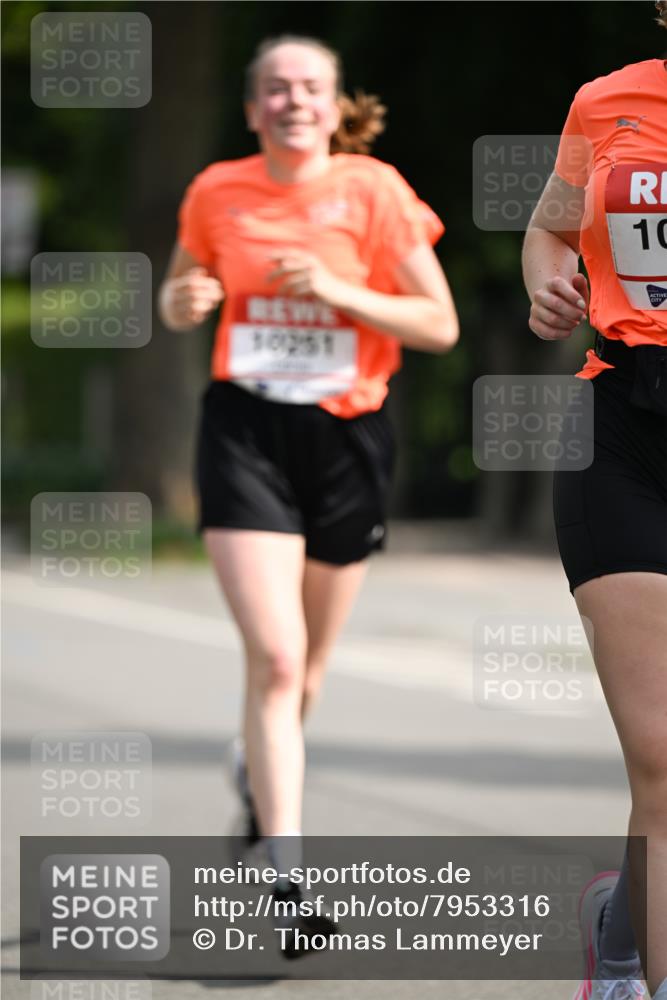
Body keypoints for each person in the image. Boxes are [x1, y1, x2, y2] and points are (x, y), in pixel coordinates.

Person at [158, 34, 459, 953]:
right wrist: (184, 302)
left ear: (333, 108)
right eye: (276, 89)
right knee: (279, 660)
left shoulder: (374, 191)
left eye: (310, 87)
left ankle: (256, 777)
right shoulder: (217, 190)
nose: (293, 100)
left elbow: (438, 324)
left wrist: (338, 289)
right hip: (245, 430)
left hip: (345, 436)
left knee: (309, 669)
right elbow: (178, 291)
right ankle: (285, 878)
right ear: (253, 109)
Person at [522, 4, 667, 998]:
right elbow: (548, 227)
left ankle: (618, 931)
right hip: (619, 425)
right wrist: (548, 285)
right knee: (661, 752)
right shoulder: (605, 101)